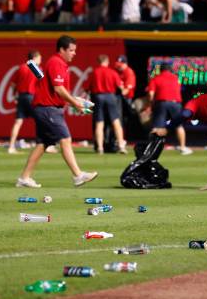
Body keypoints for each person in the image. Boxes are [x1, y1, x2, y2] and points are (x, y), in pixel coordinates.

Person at [16, 35, 98, 188]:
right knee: (65, 139)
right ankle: (78, 175)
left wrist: (76, 100)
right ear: (62, 50)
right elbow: (58, 89)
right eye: (71, 50)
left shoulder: (59, 63)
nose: (74, 53)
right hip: (48, 109)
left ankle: (24, 178)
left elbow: (57, 91)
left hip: (48, 108)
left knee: (42, 144)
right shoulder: (56, 62)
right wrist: (76, 104)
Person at [146, 63, 193, 155]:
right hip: (176, 103)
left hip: (161, 102)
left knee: (157, 127)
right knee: (178, 126)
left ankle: (152, 148)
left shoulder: (155, 78)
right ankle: (183, 147)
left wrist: (150, 105)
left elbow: (151, 94)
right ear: (170, 70)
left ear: (160, 70)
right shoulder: (176, 78)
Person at [85, 55, 127, 154]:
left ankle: (100, 148)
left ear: (98, 62)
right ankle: (121, 146)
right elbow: (120, 87)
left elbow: (86, 88)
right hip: (110, 97)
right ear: (107, 62)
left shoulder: (94, 72)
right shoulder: (112, 72)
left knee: (99, 123)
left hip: (98, 97)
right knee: (116, 122)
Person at [8, 51, 41, 154]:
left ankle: (11, 147)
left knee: (18, 122)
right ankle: (42, 146)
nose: (40, 60)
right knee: (40, 121)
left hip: (21, 96)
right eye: (40, 58)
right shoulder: (35, 68)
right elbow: (41, 85)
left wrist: (14, 95)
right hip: (31, 97)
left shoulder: (21, 67)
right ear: (35, 57)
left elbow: (13, 84)